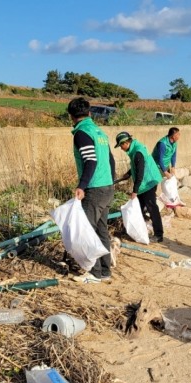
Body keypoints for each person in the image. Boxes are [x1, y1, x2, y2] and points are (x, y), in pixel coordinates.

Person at [69, 97, 116, 284]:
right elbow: (111, 159)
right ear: (89, 113)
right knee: (101, 230)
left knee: (87, 230)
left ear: (70, 116)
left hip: (95, 188)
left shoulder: (82, 133)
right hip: (107, 186)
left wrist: (82, 186)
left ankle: (95, 273)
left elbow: (90, 160)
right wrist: (111, 181)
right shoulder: (99, 132)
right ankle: (105, 270)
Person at [114, 131, 164, 243]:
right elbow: (137, 165)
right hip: (146, 181)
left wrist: (135, 191)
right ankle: (136, 231)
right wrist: (129, 173)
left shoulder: (137, 152)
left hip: (148, 182)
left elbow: (140, 172)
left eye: (121, 145)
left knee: (152, 208)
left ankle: (159, 235)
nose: (121, 148)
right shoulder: (135, 148)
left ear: (126, 142)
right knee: (139, 207)